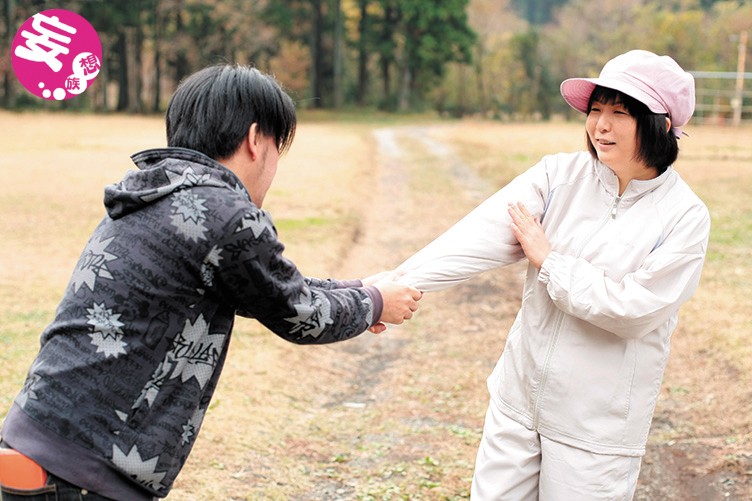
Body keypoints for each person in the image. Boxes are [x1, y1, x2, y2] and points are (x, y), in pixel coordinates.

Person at [0, 64, 422, 500]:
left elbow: (264, 286)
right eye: (279, 146)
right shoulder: (228, 215)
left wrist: (361, 289)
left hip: (36, 437)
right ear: (256, 140)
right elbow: (298, 314)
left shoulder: (155, 192)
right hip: (84, 471)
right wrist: (374, 302)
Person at [393, 49, 710, 499]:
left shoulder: (684, 217)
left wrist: (550, 262)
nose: (600, 125)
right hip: (518, 401)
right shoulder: (559, 175)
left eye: (619, 113)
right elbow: (478, 236)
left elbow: (634, 311)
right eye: (595, 109)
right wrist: (394, 283)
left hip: (594, 430)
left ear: (660, 124)